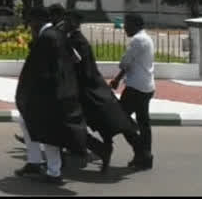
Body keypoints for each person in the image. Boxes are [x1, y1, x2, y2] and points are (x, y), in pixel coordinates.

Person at [64, 10, 146, 173]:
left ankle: (103, 149)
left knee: (100, 123)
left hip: (87, 91)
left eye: (68, 21)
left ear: (75, 22)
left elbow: (81, 69)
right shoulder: (74, 40)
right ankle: (97, 149)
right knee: (106, 123)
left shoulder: (77, 42)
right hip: (91, 89)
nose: (65, 23)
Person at [14, 5, 87, 184]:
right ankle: (34, 162)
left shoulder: (46, 37)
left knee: (48, 132)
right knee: (27, 123)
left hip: (48, 94)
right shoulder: (58, 34)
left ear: (38, 20)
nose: (29, 25)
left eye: (30, 21)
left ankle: (53, 172)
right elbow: (75, 58)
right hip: (60, 91)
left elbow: (38, 70)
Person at [110, 13, 155, 170]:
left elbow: (125, 63)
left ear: (136, 25)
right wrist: (118, 79)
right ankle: (146, 156)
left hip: (135, 88)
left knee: (121, 120)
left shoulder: (137, 40)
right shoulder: (147, 38)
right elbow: (129, 64)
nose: (125, 28)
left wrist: (116, 80)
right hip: (147, 86)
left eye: (127, 24)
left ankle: (141, 152)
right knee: (144, 123)